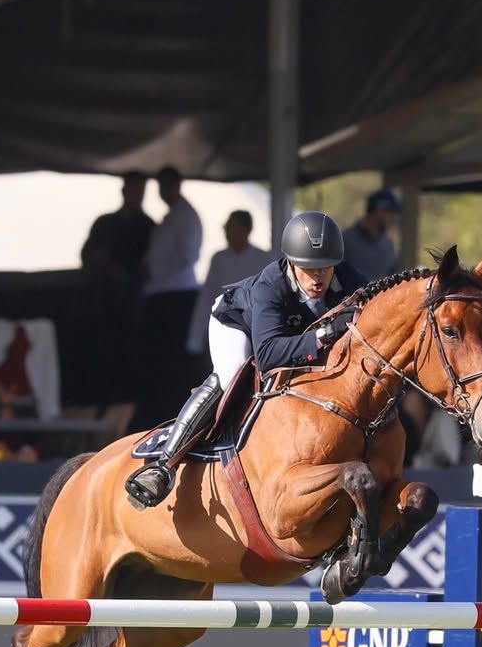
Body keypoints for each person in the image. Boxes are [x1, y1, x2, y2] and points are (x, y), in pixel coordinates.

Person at [126, 210, 365, 509]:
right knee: (230, 376)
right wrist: (324, 334)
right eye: (308, 268)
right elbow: (267, 355)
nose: (318, 277)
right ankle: (163, 466)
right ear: (292, 263)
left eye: (325, 267)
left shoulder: (349, 278)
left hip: (290, 334)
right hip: (238, 324)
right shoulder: (270, 285)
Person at [141, 165, 203, 416]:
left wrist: (155, 271)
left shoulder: (186, 216)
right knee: (159, 362)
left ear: (177, 185)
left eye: (167, 185)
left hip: (176, 295)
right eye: (161, 186)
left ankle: (173, 410)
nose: (163, 191)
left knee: (172, 361)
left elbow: (188, 257)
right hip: (160, 293)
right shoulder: (172, 216)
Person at [185, 209, 271, 358]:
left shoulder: (264, 259)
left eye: (231, 227)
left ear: (246, 230)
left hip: (255, 333)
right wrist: (195, 340)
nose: (226, 232)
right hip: (223, 332)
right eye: (226, 227)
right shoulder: (219, 259)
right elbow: (206, 299)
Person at [80, 170, 155, 285]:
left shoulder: (149, 227)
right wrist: (103, 261)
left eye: (140, 191)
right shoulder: (104, 223)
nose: (136, 195)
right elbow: (86, 255)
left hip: (136, 288)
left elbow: (153, 262)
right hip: (104, 288)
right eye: (133, 190)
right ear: (124, 191)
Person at [342, 188, 402, 281]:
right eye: (389, 211)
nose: (393, 217)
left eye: (395, 213)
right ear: (375, 210)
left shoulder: (388, 245)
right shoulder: (344, 241)